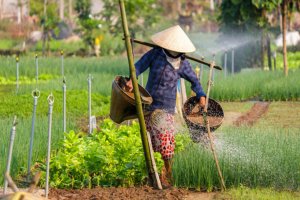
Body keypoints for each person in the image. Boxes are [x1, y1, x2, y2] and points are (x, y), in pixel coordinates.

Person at [126, 25, 206, 187]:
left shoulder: (183, 64)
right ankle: (154, 175)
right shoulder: (155, 54)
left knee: (166, 142)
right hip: (149, 106)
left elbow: (195, 81)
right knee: (151, 142)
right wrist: (130, 80)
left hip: (167, 110)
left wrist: (201, 95)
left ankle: (168, 174)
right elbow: (139, 66)